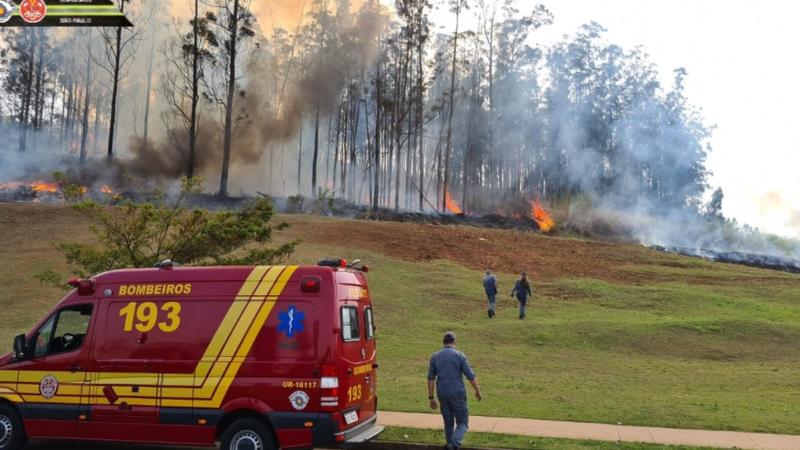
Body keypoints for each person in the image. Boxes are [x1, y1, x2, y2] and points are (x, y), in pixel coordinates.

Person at [427, 331, 482, 450]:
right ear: (454, 342)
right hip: (458, 393)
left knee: (448, 423)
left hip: (442, 394)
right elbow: (470, 376)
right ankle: (454, 443)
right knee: (463, 423)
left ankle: (449, 445)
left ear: (443, 342)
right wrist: (477, 390)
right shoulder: (460, 356)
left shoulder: (435, 357)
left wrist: (431, 397)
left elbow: (431, 378)